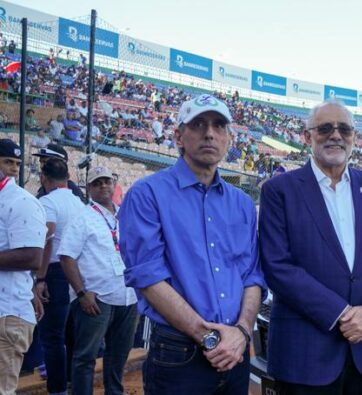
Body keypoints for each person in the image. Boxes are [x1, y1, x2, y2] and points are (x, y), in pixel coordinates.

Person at [259, 101, 362, 394]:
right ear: (307, 136)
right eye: (325, 128)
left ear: (354, 137)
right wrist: (341, 313)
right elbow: (278, 266)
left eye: (344, 129)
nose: (335, 135)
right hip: (305, 356)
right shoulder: (279, 191)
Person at [119, 94, 265, 394]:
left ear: (228, 138)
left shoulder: (242, 204)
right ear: (178, 136)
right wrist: (209, 336)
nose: (209, 133)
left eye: (218, 125)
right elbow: (147, 277)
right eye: (198, 124)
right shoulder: (147, 194)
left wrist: (240, 332)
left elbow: (251, 274)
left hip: (235, 351)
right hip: (179, 352)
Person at [58, 166, 138, 395]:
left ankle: (115, 392)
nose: (103, 186)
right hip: (96, 297)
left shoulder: (125, 216)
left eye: (106, 181)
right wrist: (81, 293)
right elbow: (66, 257)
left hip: (127, 295)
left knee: (119, 354)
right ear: (88, 189)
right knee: (85, 356)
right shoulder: (82, 218)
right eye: (97, 183)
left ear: (114, 185)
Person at [35, 157, 87, 395]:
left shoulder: (47, 202)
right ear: (67, 177)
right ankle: (71, 384)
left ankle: (57, 389)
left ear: (44, 178)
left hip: (55, 271)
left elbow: (47, 238)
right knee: (70, 334)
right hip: (78, 271)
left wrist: (40, 277)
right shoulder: (80, 202)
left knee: (52, 336)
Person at [0, 154, 47, 395]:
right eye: (7, 161)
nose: (13, 168)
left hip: (7, 313)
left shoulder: (21, 201)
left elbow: (32, 256)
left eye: (16, 163)